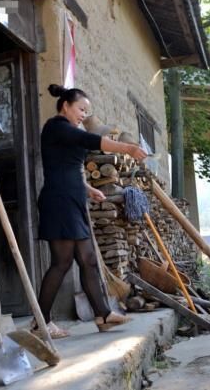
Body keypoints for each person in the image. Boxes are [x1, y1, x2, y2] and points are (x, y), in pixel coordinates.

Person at [35, 84, 147, 338]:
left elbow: (68, 167)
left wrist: (87, 189)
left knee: (88, 260)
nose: (84, 115)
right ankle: (40, 323)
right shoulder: (57, 127)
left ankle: (103, 315)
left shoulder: (68, 132)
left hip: (72, 200)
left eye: (87, 111)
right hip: (59, 201)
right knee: (61, 263)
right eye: (81, 109)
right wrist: (127, 148)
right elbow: (90, 140)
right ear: (65, 106)